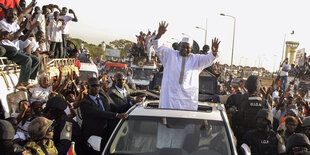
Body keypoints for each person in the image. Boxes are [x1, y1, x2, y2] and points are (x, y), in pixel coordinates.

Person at [152, 21, 220, 110]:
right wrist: (159, 35)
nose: (184, 49)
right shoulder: (170, 55)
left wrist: (214, 52)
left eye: (187, 47)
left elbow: (209, 58)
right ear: (180, 46)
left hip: (188, 100)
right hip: (169, 98)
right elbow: (158, 47)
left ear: (191, 48)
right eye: (183, 46)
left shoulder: (196, 59)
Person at [79, 77, 128, 154]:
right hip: (91, 137)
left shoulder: (103, 99)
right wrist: (116, 115)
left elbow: (116, 108)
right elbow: (98, 113)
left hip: (106, 135)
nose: (96, 87)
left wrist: (132, 103)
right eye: (94, 85)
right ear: (88, 87)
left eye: (98, 85)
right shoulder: (84, 102)